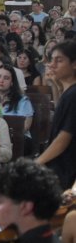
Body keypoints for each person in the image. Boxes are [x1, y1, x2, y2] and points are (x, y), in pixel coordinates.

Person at [38, 40, 76, 186]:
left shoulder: (73, 95)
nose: (52, 65)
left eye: (59, 60)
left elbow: (64, 137)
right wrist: (55, 86)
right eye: (51, 60)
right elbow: (63, 113)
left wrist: (38, 162)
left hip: (67, 168)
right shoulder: (69, 92)